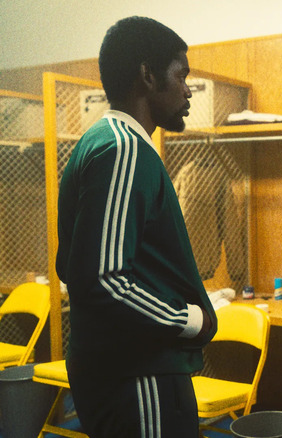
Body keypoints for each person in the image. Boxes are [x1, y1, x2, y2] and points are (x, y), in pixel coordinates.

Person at [56, 16, 217, 438]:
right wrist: (190, 320)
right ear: (147, 75)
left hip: (125, 372)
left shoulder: (103, 143)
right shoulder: (123, 150)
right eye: (180, 75)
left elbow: (71, 264)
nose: (188, 90)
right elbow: (103, 279)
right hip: (138, 375)